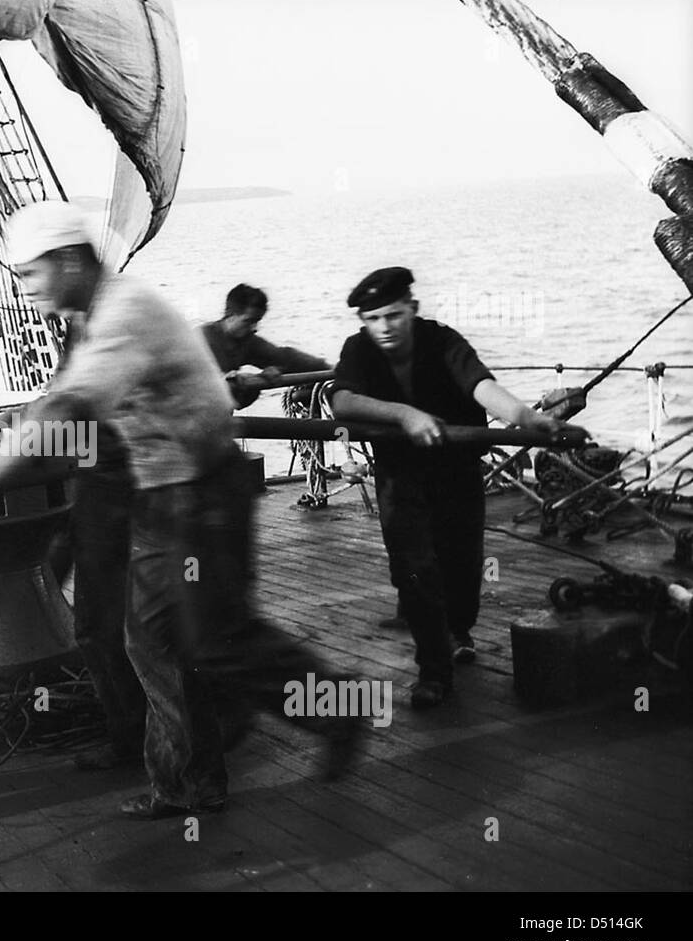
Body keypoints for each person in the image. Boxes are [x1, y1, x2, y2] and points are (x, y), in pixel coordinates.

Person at [0, 201, 241, 820]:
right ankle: (190, 777)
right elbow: (65, 401)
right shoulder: (96, 316)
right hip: (168, 489)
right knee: (150, 640)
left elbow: (69, 410)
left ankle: (191, 782)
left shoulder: (120, 315)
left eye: (29, 273)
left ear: (69, 260)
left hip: (190, 494)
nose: (23, 288)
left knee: (154, 641)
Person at [330, 267, 566, 708]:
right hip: (401, 477)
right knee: (415, 570)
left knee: (461, 565)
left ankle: (458, 630)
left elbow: (481, 386)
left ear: (412, 309)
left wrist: (526, 418)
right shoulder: (358, 349)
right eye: (374, 318)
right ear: (364, 321)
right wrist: (405, 415)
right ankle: (433, 670)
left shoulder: (442, 341)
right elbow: (341, 400)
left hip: (455, 471)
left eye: (394, 315)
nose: (384, 327)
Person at [199, 284, 329, 408]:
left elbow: (287, 358)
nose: (254, 328)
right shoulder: (201, 340)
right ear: (231, 315)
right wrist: (249, 381)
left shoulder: (247, 341)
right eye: (249, 321)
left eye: (257, 322)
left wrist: (329, 369)